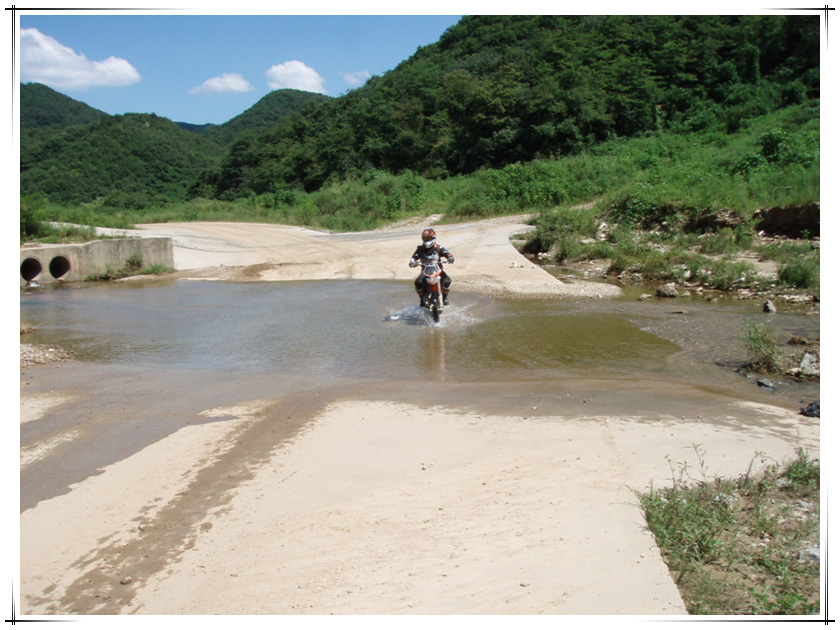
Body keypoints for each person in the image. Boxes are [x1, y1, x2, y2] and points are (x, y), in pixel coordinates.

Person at [409, 228, 455, 306]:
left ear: (433, 238)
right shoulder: (420, 249)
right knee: (418, 282)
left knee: (447, 281)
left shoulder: (438, 247)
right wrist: (412, 262)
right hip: (425, 271)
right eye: (425, 239)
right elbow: (414, 257)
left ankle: (444, 297)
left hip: (438, 270)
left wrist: (450, 258)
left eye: (429, 238)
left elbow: (447, 253)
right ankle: (422, 298)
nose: (427, 241)